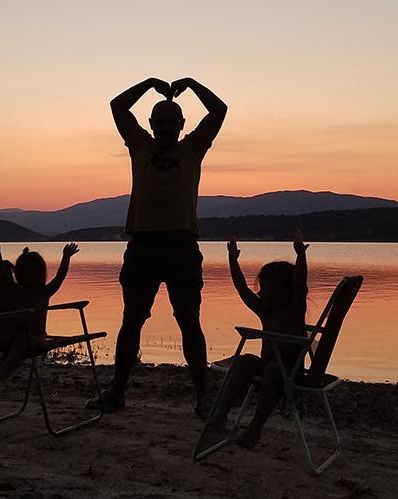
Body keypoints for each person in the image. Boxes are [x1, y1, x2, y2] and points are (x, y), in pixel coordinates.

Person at [86, 77, 227, 418]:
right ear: (151, 124)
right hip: (143, 245)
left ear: (181, 125)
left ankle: (203, 398)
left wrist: (192, 84)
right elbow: (118, 106)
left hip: (181, 246)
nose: (164, 128)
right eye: (159, 122)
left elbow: (219, 110)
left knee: (189, 321)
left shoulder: (193, 148)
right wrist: (149, 84)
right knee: (132, 319)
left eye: (171, 122)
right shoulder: (139, 145)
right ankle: (117, 393)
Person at [207, 230, 309, 448]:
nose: (261, 293)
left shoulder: (295, 310)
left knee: (273, 370)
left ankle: (255, 429)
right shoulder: (266, 312)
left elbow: (300, 285)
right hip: (267, 366)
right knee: (244, 360)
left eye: (265, 288)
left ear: (283, 291)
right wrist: (233, 260)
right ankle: (220, 414)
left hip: (291, 373)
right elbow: (242, 289)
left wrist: (301, 256)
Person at [0, 241, 79, 385]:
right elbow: (1, 276)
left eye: (38, 279)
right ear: (20, 278)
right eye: (30, 280)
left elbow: (60, 276)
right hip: (13, 339)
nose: (34, 284)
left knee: (22, 340)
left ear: (42, 277)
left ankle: (2, 374)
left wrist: (66, 257)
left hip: (37, 340)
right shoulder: (15, 291)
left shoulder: (45, 292)